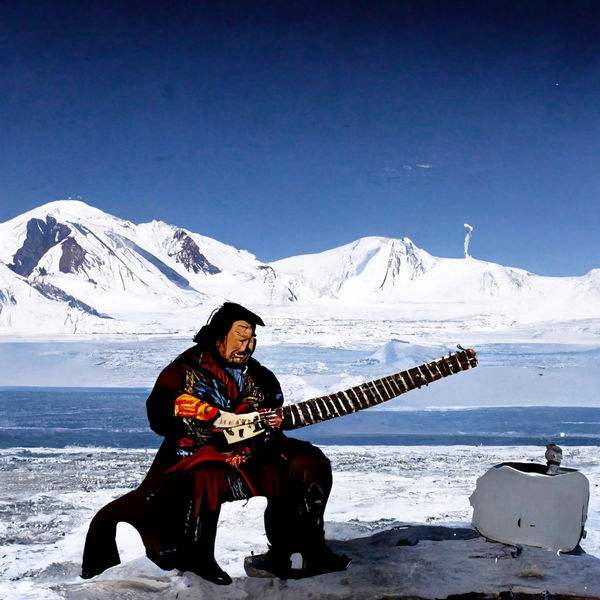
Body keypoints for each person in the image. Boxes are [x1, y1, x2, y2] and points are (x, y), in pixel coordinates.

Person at [81, 302, 348, 585]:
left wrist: (261, 427)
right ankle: (196, 557)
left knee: (309, 462)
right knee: (205, 472)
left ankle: (299, 549)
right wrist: (199, 419)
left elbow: (271, 407)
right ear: (218, 338)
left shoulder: (259, 375)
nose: (247, 348)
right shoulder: (184, 370)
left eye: (252, 340)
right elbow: (159, 415)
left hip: (253, 453)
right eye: (241, 340)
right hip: (193, 456)